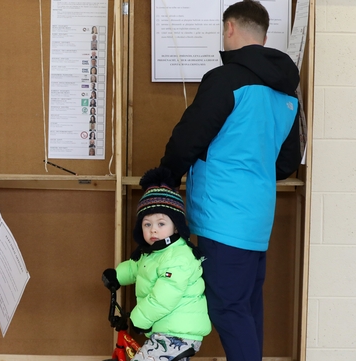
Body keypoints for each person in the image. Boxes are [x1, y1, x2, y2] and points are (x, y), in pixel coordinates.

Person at [157, 1, 302, 360]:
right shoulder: (287, 95)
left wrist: (164, 178)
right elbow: (284, 163)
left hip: (221, 218)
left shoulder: (225, 80)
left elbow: (188, 138)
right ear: (265, 37)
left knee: (227, 309)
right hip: (256, 219)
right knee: (246, 308)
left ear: (230, 29)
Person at [103, 167, 211, 361]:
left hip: (179, 333)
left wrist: (139, 319)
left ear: (175, 226)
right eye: (147, 224)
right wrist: (118, 275)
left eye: (161, 224)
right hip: (165, 329)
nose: (153, 230)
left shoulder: (179, 257)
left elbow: (164, 296)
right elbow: (137, 268)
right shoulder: (153, 253)